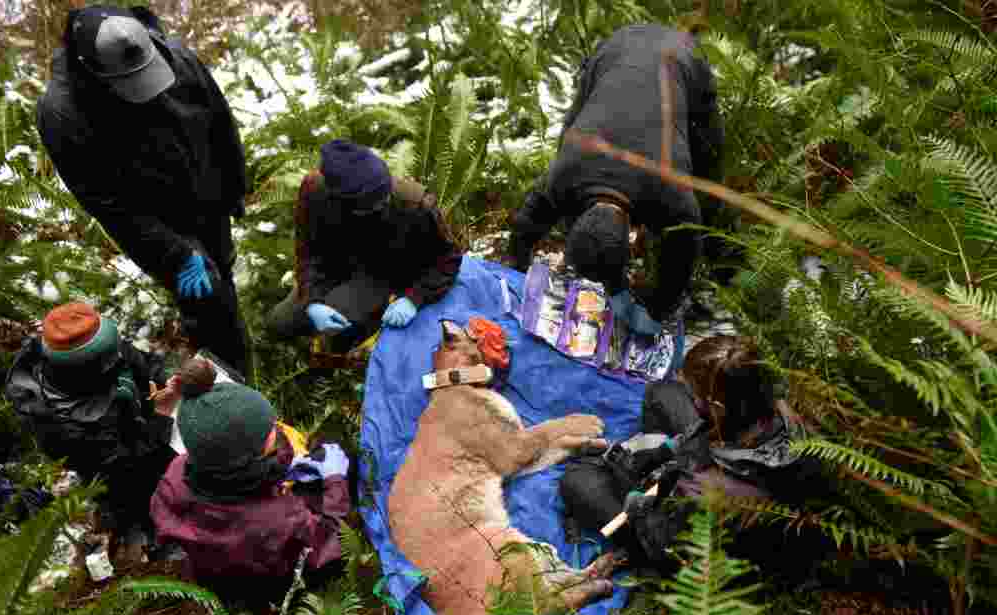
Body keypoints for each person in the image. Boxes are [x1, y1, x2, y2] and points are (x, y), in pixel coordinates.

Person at [36, 5, 252, 381]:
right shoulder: (63, 112)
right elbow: (106, 201)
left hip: (208, 197)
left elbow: (220, 121)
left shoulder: (178, 59)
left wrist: (233, 190)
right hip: (159, 221)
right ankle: (230, 388)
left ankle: (229, 340)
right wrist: (177, 253)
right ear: (91, 68)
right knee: (206, 301)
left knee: (223, 271)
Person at [505, 23, 725, 335]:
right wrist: (514, 269)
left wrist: (658, 309)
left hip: (681, 57)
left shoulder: (671, 192)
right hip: (614, 50)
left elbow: (685, 248)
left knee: (709, 177)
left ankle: (723, 252)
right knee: (574, 125)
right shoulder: (565, 172)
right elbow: (528, 221)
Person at [560, 335, 824, 570]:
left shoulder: (702, 488)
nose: (692, 398)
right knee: (662, 393)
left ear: (717, 406)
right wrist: (679, 447)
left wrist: (636, 498)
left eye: (696, 395)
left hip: (691, 528)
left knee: (578, 480)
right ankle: (662, 454)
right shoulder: (783, 413)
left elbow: (660, 542)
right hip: (725, 457)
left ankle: (631, 551)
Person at [149, 358, 351, 606]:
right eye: (269, 430)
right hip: (267, 590)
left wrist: (279, 473)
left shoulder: (176, 471)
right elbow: (326, 544)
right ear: (247, 457)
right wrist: (335, 481)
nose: (275, 429)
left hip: (214, 578)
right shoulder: (280, 519)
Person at [4, 301, 178, 548]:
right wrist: (160, 417)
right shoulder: (57, 423)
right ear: (90, 372)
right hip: (122, 472)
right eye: (110, 357)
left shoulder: (102, 346)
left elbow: (141, 363)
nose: (119, 356)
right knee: (136, 500)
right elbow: (124, 466)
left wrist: (168, 381)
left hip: (147, 428)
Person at [268, 139, 465, 352]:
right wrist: (312, 301)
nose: (384, 203)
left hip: (383, 274)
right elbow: (308, 253)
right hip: (335, 267)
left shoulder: (415, 203)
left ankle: (358, 330)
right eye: (375, 203)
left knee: (336, 336)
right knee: (280, 323)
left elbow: (449, 259)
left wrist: (413, 298)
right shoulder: (315, 190)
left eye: (385, 198)